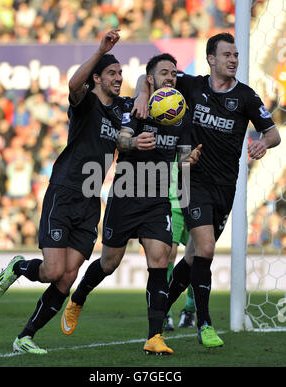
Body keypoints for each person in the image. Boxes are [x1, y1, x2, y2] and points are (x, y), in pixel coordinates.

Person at [133, 32, 281, 348]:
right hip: (192, 180)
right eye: (227, 55)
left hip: (226, 187)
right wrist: (142, 95)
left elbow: (273, 134)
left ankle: (161, 306)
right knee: (208, 249)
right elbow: (148, 76)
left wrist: (261, 144)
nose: (233, 60)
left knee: (193, 258)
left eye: (236, 55)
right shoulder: (191, 85)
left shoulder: (247, 97)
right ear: (211, 59)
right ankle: (204, 324)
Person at [0, 29, 133, 354]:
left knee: (67, 278)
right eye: (112, 73)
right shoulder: (86, 102)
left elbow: (141, 103)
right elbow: (73, 85)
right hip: (65, 190)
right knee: (52, 270)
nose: (118, 78)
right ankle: (18, 267)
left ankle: (25, 337)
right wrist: (101, 50)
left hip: (90, 200)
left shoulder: (121, 109)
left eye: (120, 73)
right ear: (96, 77)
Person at [61, 53, 202, 355]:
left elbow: (184, 157)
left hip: (157, 200)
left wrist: (188, 159)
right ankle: (78, 298)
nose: (171, 78)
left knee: (160, 262)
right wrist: (135, 139)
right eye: (164, 73)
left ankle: (154, 336)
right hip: (124, 196)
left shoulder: (182, 114)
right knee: (109, 263)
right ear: (150, 79)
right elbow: (121, 143)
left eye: (174, 74)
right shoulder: (132, 106)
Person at [164, 158, 195, 332]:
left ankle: (190, 309)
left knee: (196, 257)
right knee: (167, 254)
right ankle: (165, 311)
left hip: (195, 202)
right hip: (172, 201)